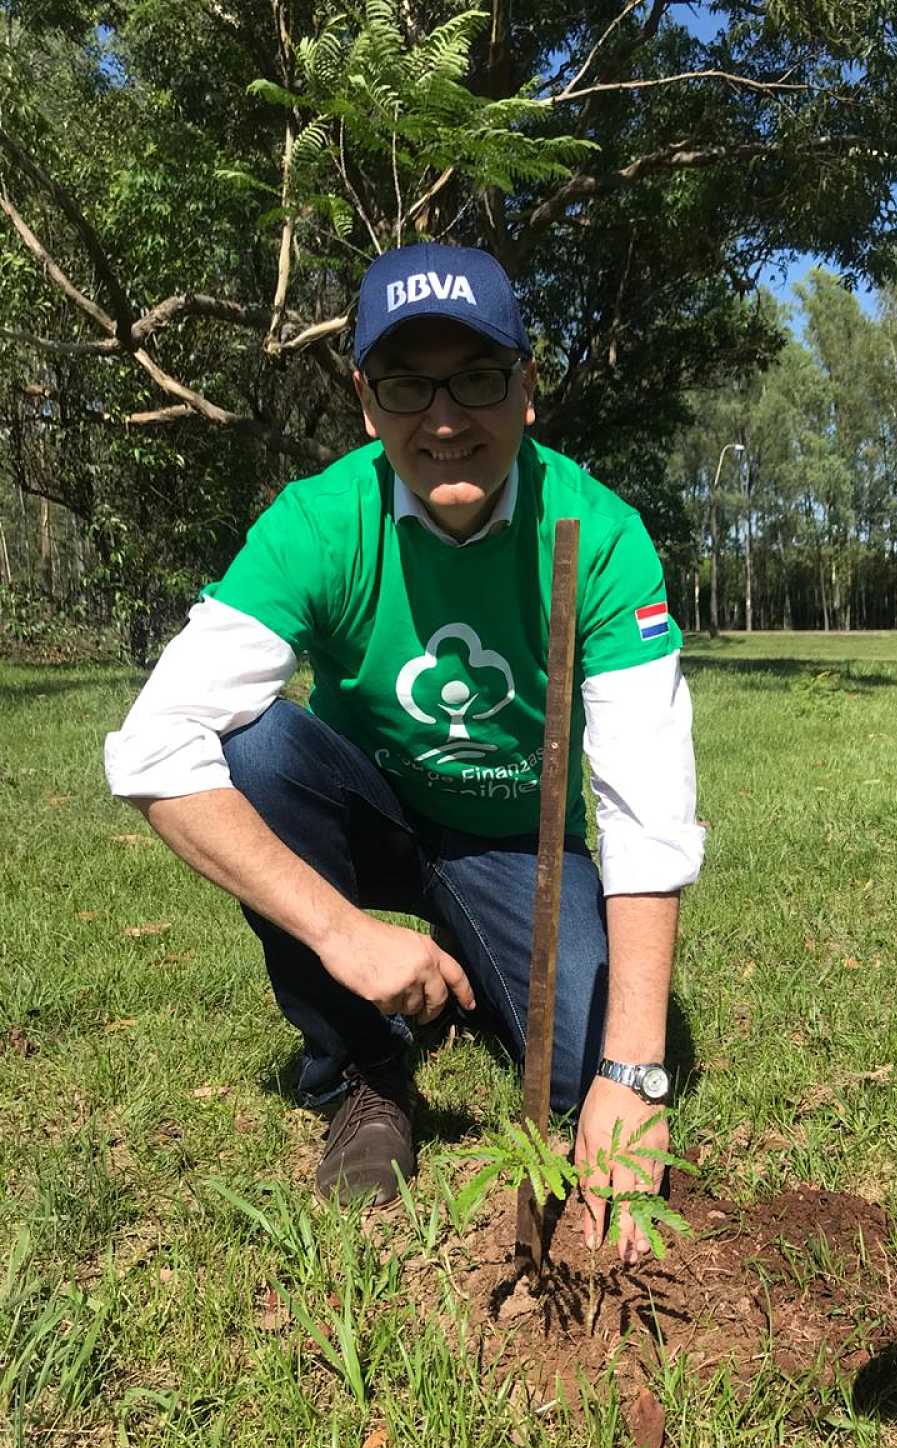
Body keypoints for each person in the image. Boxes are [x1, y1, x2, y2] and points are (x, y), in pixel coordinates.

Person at [104, 242, 704, 1265]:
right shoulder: (318, 523)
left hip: (512, 835)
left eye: (477, 377)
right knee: (254, 749)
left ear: (527, 386)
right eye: (406, 383)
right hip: (364, 808)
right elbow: (153, 748)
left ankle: (468, 960)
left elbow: (647, 806)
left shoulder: (599, 538)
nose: (443, 419)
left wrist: (634, 1070)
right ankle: (363, 1067)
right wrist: (343, 933)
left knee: (578, 1070)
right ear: (364, 399)